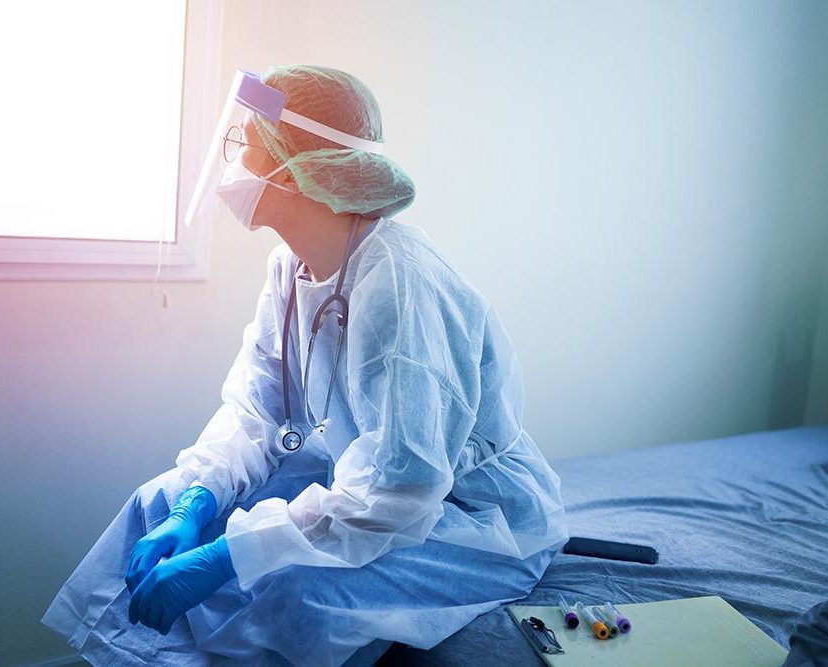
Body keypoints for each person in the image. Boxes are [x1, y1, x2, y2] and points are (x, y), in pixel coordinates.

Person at [42, 64, 567, 667]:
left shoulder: (398, 284)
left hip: (468, 515)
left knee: (291, 594)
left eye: (248, 142)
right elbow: (257, 414)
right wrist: (199, 502)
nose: (234, 161)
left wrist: (226, 556)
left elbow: (401, 490)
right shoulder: (288, 269)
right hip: (369, 481)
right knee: (158, 503)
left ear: (302, 165)